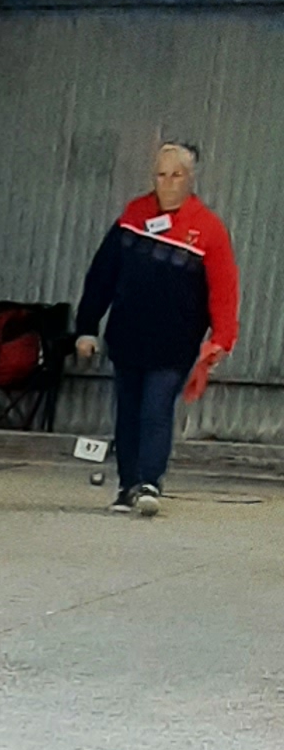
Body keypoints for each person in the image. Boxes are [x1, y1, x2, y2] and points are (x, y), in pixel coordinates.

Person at [74, 133, 238, 516]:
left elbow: (224, 288)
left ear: (190, 178)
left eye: (176, 175)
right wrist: (86, 327)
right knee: (128, 412)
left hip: (174, 342)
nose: (167, 182)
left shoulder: (208, 228)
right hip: (127, 335)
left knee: (155, 410)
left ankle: (150, 482)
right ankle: (127, 485)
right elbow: (102, 274)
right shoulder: (134, 216)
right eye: (161, 174)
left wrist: (222, 337)